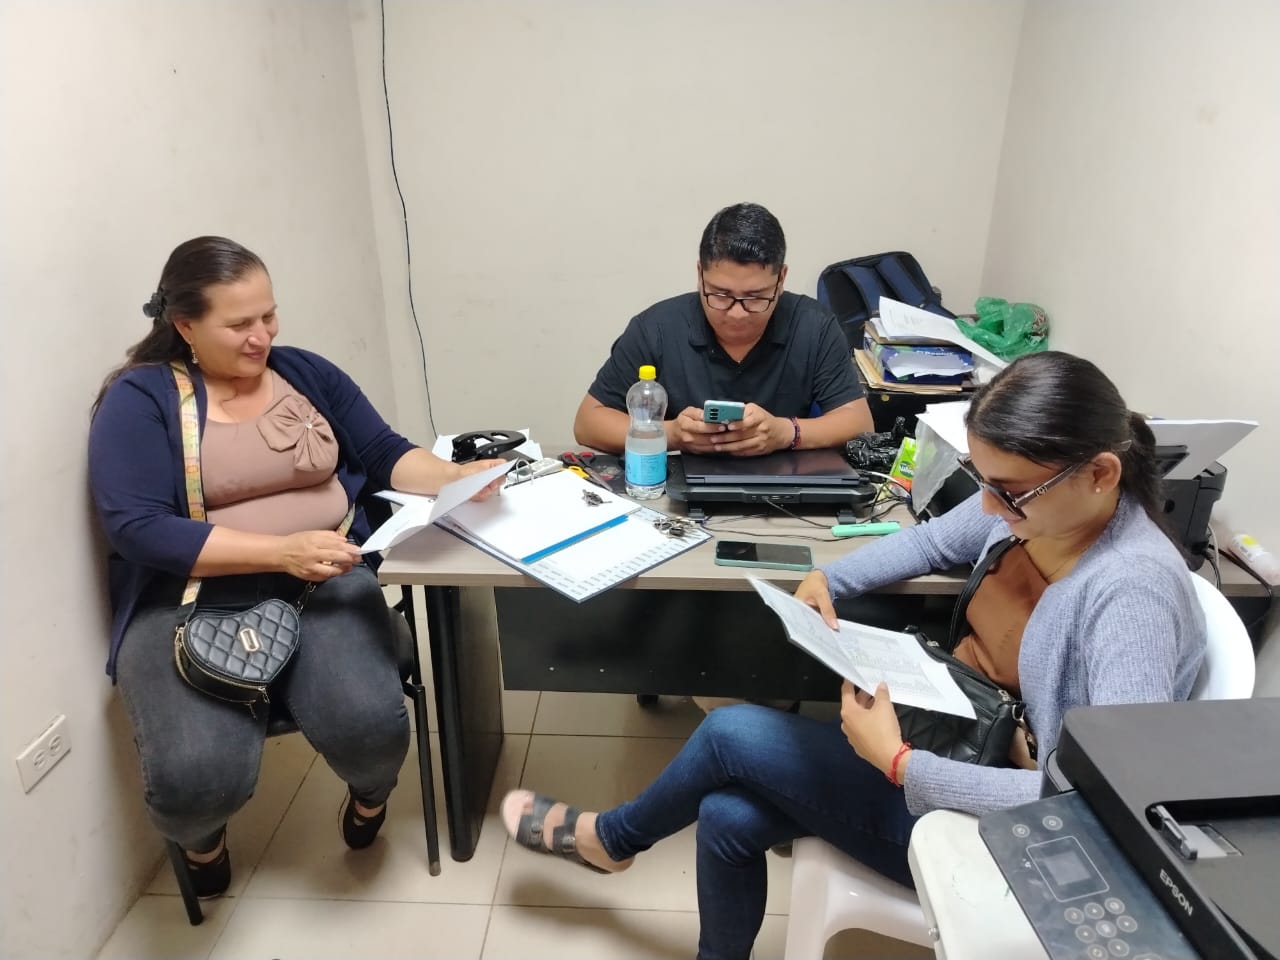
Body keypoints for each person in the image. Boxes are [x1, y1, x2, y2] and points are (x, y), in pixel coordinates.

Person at [502, 351, 1207, 960]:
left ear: (1101, 473)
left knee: (730, 731)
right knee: (726, 816)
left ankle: (612, 840)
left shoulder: (1131, 593)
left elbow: (1098, 804)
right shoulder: (1037, 511)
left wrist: (901, 765)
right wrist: (829, 579)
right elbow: (932, 540)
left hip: (1007, 824)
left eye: (1011, 492)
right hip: (964, 736)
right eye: (985, 482)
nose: (991, 509)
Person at [88, 236, 504, 899]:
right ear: (185, 325)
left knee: (371, 731)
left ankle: (368, 799)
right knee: (197, 778)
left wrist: (455, 478)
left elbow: (384, 451)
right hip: (189, 595)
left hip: (324, 579)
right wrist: (280, 551)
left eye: (269, 315)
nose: (262, 336)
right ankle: (203, 843)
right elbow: (137, 527)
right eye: (239, 324)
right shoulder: (141, 399)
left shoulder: (304, 374)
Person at [573, 202, 873, 456]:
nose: (737, 314)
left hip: (786, 487)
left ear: (781, 279)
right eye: (720, 295)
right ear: (700, 275)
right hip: (681, 488)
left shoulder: (814, 326)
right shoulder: (656, 328)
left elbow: (860, 423)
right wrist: (672, 434)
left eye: (755, 297)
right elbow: (588, 423)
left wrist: (786, 432)